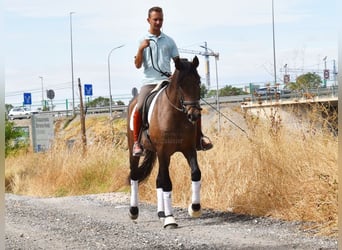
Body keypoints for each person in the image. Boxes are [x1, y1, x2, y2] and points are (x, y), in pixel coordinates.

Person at [132, 6, 213, 156]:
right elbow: (137, 65)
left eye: (161, 19)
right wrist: (141, 49)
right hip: (149, 83)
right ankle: (137, 142)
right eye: (155, 19)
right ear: (148, 20)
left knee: (193, 105)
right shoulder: (141, 40)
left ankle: (199, 138)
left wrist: (179, 74)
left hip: (167, 81)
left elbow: (178, 63)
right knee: (140, 106)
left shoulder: (169, 41)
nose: (158, 22)